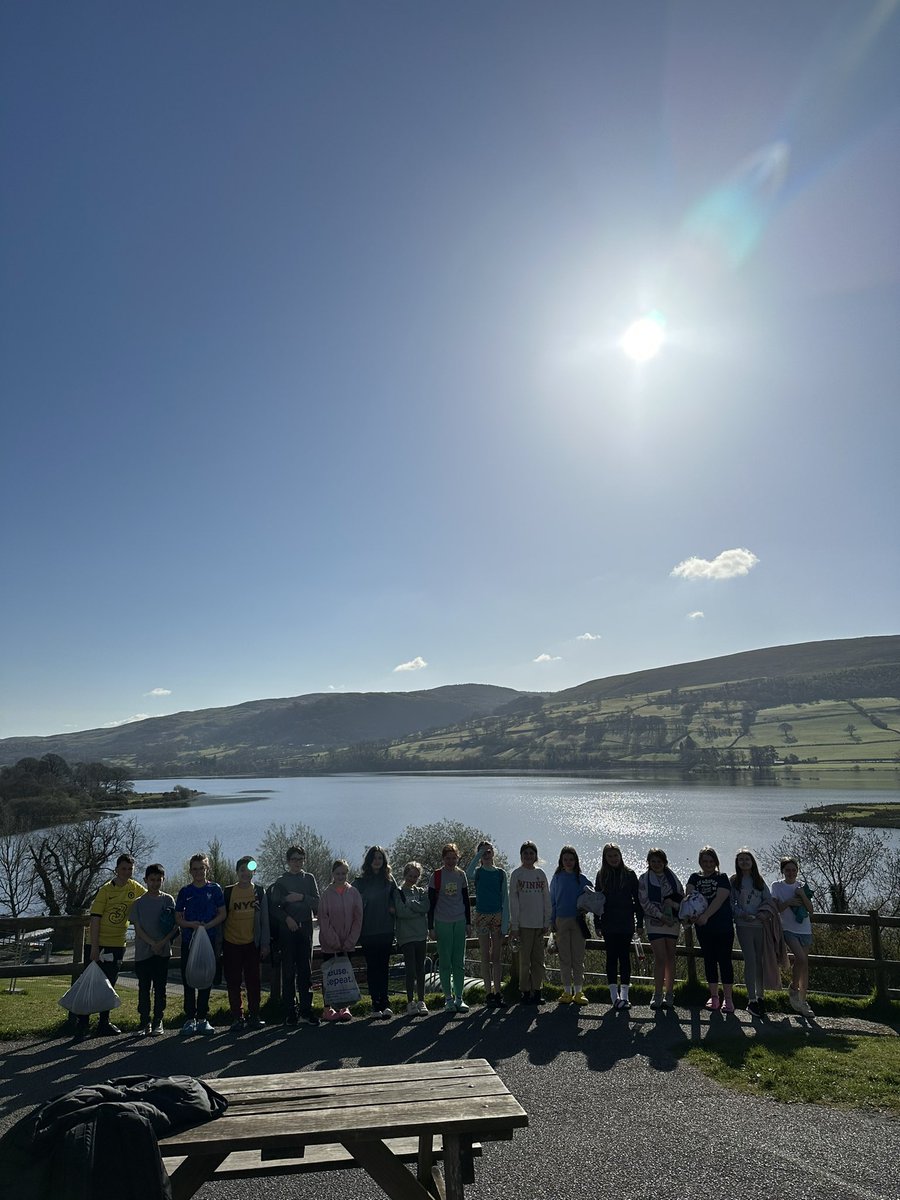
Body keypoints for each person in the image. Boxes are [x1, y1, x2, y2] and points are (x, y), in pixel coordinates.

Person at [77, 852, 146, 1038]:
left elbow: (150, 899)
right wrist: (94, 947)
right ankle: (82, 1025)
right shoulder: (106, 890)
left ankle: (103, 1022)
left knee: (109, 985)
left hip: (118, 944)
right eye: (123, 868)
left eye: (130, 869)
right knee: (90, 984)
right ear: (116, 869)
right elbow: (95, 918)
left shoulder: (134, 887)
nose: (126, 872)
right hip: (99, 944)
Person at [175, 852, 226, 1035]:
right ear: (190, 871)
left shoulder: (215, 889)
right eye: (195, 869)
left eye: (202, 868)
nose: (198, 872)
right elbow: (178, 917)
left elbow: (222, 913)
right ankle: (190, 1018)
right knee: (189, 979)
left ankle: (203, 1018)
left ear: (207, 868)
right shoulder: (185, 892)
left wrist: (207, 926)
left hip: (209, 941)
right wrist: (192, 926)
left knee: (206, 978)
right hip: (189, 941)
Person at [268, 845, 320, 1025]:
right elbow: (273, 908)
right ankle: (291, 1011)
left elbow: (317, 903)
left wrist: (301, 897)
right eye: (294, 859)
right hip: (287, 930)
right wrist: (287, 919)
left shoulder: (309, 878)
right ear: (288, 861)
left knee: (305, 971)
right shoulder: (281, 881)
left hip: (305, 928)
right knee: (288, 972)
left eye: (300, 859)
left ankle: (307, 1010)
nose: (297, 862)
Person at [222, 855, 270, 1031]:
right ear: (237, 872)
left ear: (254, 872)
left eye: (249, 870)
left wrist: (265, 944)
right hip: (231, 943)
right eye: (242, 870)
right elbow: (221, 918)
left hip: (252, 944)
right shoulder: (228, 892)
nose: (245, 874)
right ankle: (237, 1017)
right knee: (233, 982)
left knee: (253, 982)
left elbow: (265, 920)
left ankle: (254, 1015)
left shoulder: (259, 891)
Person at [686, 846, 736, 1012]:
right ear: (700, 862)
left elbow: (720, 899)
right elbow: (690, 897)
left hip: (723, 926)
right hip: (704, 929)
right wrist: (693, 914)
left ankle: (728, 999)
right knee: (709, 961)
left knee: (725, 961)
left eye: (711, 861)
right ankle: (714, 996)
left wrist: (706, 915)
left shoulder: (722, 877)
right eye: (704, 861)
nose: (708, 864)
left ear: (716, 862)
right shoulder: (694, 877)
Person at [131, 862, 178, 1036]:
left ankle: (158, 1020)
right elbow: (137, 928)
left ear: (163, 880)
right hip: (143, 953)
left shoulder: (168, 900)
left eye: (159, 880)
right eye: (152, 880)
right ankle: (144, 1022)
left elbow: (174, 926)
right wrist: (152, 943)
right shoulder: (138, 903)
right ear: (145, 880)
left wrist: (162, 943)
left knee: (160, 988)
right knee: (143, 988)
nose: (155, 883)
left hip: (163, 952)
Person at [594, 843, 642, 1011]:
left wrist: (640, 923)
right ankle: (614, 997)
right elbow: (597, 901)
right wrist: (597, 924)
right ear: (605, 858)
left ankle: (625, 995)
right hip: (608, 923)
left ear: (621, 856)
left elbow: (637, 900)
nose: (613, 859)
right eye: (610, 856)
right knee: (611, 959)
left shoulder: (629, 874)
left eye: (616, 855)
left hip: (626, 923)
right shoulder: (601, 875)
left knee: (625, 959)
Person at [353, 846, 399, 1018]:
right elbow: (353, 904)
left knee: (383, 967)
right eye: (374, 858)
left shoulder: (389, 879)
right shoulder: (360, 881)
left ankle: (385, 1001)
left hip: (386, 929)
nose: (377, 861)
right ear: (369, 860)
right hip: (368, 931)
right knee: (372, 968)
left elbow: (397, 898)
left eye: (380, 858)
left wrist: (394, 907)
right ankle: (375, 1004)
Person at [428, 842, 472, 1013]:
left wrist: (468, 923)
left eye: (454, 858)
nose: (451, 861)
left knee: (459, 962)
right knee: (445, 962)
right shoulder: (436, 876)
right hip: (442, 921)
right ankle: (448, 999)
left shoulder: (461, 875)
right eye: (448, 858)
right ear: (443, 858)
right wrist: (430, 927)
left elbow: (466, 900)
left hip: (459, 921)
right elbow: (431, 903)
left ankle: (459, 998)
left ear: (457, 858)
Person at [318, 859, 363, 1022]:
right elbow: (323, 919)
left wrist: (350, 941)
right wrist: (334, 941)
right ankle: (327, 1008)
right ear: (332, 874)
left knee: (345, 976)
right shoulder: (326, 894)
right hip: (330, 945)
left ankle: (344, 1007)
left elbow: (358, 919)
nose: (340, 876)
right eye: (337, 873)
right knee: (329, 976)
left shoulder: (354, 893)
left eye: (343, 873)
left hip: (348, 944)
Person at [638, 848, 683, 1010]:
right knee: (660, 958)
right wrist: (660, 915)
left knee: (671, 957)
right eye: (653, 861)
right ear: (648, 863)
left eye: (659, 861)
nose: (656, 864)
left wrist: (674, 907)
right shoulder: (643, 879)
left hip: (673, 922)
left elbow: (681, 895)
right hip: (654, 922)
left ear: (664, 862)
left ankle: (669, 993)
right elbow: (644, 902)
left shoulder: (672, 877)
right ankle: (657, 993)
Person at [771, 855, 815, 1016]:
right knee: (800, 959)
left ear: (797, 871)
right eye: (788, 870)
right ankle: (793, 989)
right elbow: (777, 908)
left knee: (804, 966)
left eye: (793, 870)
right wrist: (790, 902)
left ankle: (803, 1002)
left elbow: (810, 910)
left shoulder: (802, 886)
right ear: (783, 871)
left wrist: (802, 895)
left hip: (805, 929)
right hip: (788, 929)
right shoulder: (777, 886)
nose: (791, 873)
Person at [467, 842, 509, 1008]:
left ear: (493, 853)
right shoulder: (478, 872)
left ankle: (498, 992)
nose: (486, 853)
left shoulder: (500, 873)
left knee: (496, 957)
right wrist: (478, 855)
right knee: (485, 956)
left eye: (488, 850)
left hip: (497, 916)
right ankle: (488, 993)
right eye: (483, 851)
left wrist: (506, 924)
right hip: (482, 916)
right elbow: (468, 873)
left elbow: (505, 898)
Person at [549, 846, 592, 1006]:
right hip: (561, 920)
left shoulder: (582, 879)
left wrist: (585, 909)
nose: (568, 862)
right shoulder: (557, 878)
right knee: (565, 957)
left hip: (578, 921)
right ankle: (567, 991)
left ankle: (579, 991)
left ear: (576, 861)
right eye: (565, 859)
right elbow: (552, 900)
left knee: (578, 957)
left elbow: (592, 897)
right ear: (561, 861)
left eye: (571, 859)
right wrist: (551, 921)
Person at [730, 848, 771, 1016]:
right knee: (750, 960)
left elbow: (768, 900)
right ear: (737, 863)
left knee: (759, 961)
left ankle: (761, 997)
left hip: (759, 926)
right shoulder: (734, 881)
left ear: (752, 861)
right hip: (743, 925)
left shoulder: (759, 880)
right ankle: (751, 999)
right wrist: (742, 914)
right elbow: (730, 903)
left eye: (747, 859)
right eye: (741, 859)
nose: (744, 862)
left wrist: (762, 914)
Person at [508, 841, 550, 1005]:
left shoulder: (541, 874)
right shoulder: (517, 874)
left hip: (539, 925)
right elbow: (513, 900)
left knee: (539, 960)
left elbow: (546, 898)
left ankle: (537, 990)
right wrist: (515, 925)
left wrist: (547, 920)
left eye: (531, 853)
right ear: (521, 856)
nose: (528, 856)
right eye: (525, 853)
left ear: (536, 856)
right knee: (524, 960)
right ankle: (525, 991)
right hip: (523, 924)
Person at [394, 861, 430, 1015]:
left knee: (421, 968)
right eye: (410, 876)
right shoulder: (398, 892)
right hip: (406, 936)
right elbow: (400, 912)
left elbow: (426, 907)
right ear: (405, 875)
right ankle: (410, 1001)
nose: (413, 879)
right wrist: (417, 909)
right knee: (410, 969)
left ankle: (421, 1000)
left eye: (416, 876)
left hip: (421, 934)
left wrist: (411, 905)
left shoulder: (421, 891)